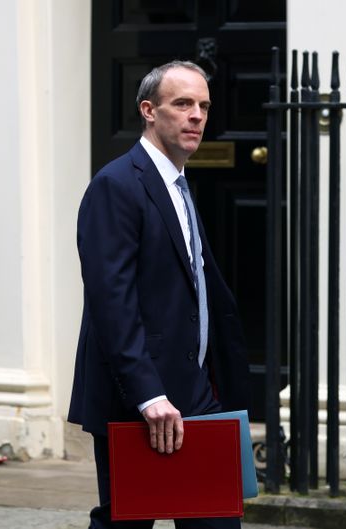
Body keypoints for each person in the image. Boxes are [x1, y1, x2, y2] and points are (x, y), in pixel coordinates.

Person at [67, 60, 250, 529]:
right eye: (183, 103)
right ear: (149, 110)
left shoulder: (180, 185)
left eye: (204, 106)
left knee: (216, 519)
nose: (197, 116)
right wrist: (149, 397)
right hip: (140, 399)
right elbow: (112, 302)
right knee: (126, 521)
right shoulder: (116, 185)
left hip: (196, 392)